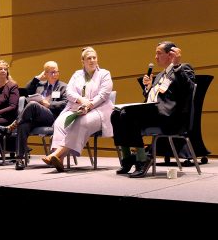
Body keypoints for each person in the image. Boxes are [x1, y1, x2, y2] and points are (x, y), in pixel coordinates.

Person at [111, 41, 195, 178]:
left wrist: (177, 65)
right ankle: (127, 159)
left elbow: (188, 89)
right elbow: (154, 97)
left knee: (128, 114)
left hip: (171, 117)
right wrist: (149, 88)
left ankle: (142, 159)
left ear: (170, 55)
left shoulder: (183, 68)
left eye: (159, 53)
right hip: (155, 112)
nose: (155, 57)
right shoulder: (161, 75)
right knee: (115, 114)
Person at [41, 47, 114, 172]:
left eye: (94, 58)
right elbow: (69, 92)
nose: (92, 60)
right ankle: (60, 160)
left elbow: (103, 95)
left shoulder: (104, 74)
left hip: (99, 110)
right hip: (77, 107)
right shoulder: (77, 74)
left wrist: (88, 105)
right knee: (59, 122)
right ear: (83, 61)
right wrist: (81, 101)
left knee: (81, 122)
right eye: (88, 58)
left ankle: (56, 155)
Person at [0, 61, 67, 170]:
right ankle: (19, 159)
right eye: (51, 72)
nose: (55, 75)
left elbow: (66, 103)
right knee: (23, 125)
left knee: (33, 104)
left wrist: (50, 104)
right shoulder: (40, 85)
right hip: (35, 117)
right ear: (46, 73)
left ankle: (12, 126)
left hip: (52, 117)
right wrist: (37, 78)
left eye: (56, 72)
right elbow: (25, 91)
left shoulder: (63, 86)